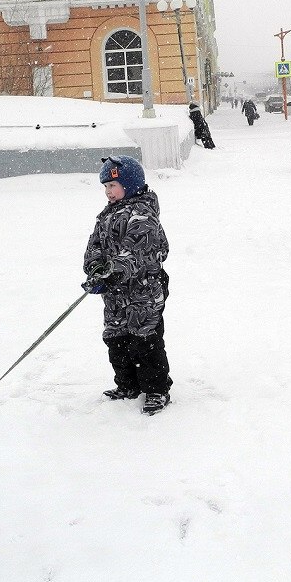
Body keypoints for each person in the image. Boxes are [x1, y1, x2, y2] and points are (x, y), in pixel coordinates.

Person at [82, 155, 172, 415]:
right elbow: (95, 246)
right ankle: (128, 385)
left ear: (130, 185)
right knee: (116, 339)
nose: (108, 192)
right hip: (115, 295)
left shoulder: (142, 216)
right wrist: (96, 268)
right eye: (106, 187)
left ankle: (156, 389)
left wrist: (111, 272)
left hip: (143, 291)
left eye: (113, 186)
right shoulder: (106, 216)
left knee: (145, 341)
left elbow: (138, 254)